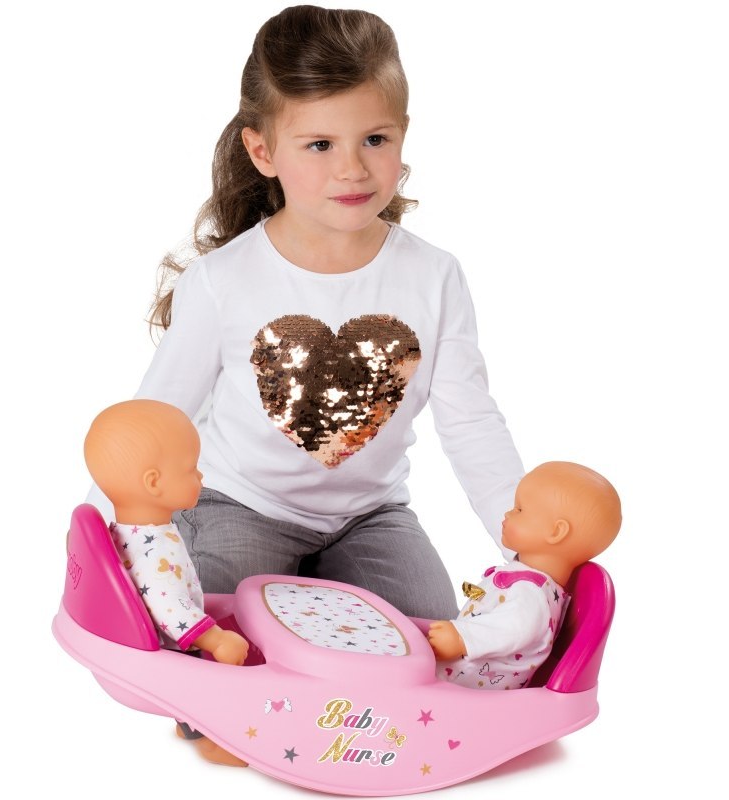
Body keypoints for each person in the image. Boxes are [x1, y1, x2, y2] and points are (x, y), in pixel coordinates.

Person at [88, 5, 524, 621]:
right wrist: (98, 540)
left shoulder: (435, 276)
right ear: (263, 150)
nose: (352, 168)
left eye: (375, 139)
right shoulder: (223, 281)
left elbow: (471, 423)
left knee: (425, 631)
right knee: (213, 627)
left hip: (370, 516)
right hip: (239, 504)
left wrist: (527, 544)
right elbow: (154, 417)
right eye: (320, 144)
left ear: (403, 133)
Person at [84, 399, 249, 765]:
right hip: (173, 650)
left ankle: (187, 726)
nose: (201, 477)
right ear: (154, 482)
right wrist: (216, 640)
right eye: (191, 469)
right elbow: (169, 607)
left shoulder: (131, 531)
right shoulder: (154, 550)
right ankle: (217, 741)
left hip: (165, 644)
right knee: (217, 687)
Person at [427, 461, 621, 690]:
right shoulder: (529, 582)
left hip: (463, 688)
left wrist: (462, 638)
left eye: (519, 510)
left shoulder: (531, 595)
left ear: (555, 532)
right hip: (457, 673)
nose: (508, 513)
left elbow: (513, 629)